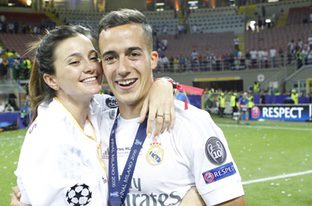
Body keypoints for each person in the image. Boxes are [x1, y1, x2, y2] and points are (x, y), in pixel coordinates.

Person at [97, 9, 244, 206]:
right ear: (101, 65)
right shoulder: (94, 121)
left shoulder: (192, 123)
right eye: (110, 58)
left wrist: (165, 83)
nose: (122, 69)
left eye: (133, 54)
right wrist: (166, 83)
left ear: (153, 59)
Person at [15, 25, 175, 206]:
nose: (90, 67)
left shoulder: (99, 107)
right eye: (75, 62)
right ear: (52, 80)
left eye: (93, 58)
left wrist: (164, 85)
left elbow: (135, 99)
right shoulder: (49, 137)